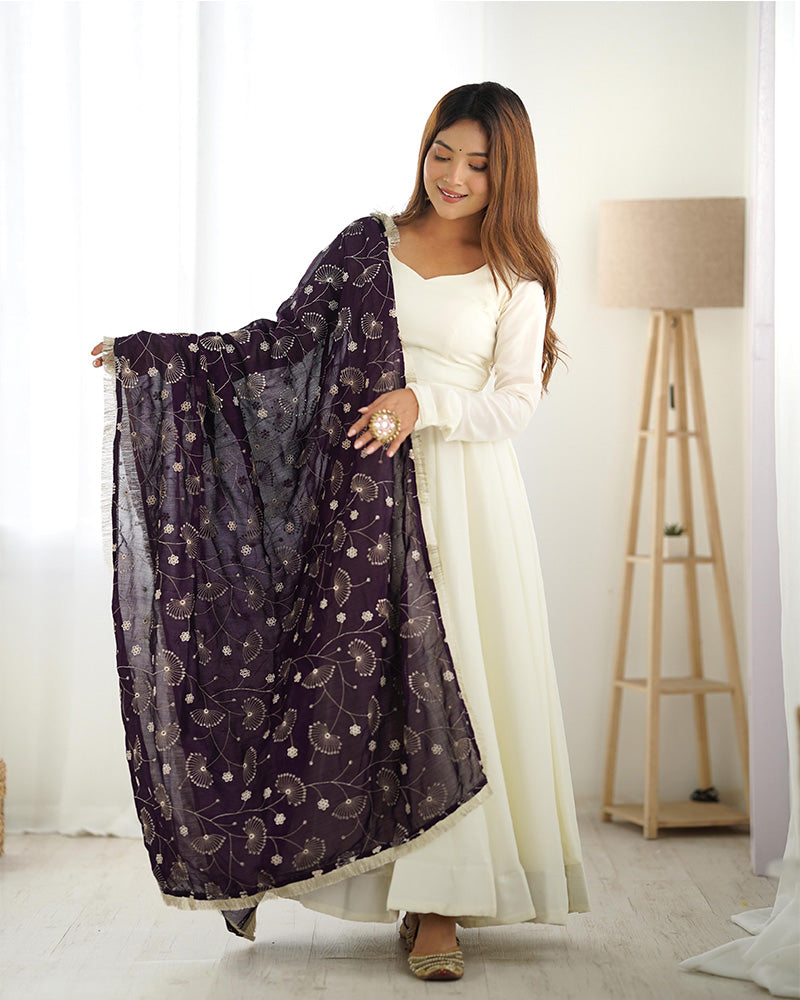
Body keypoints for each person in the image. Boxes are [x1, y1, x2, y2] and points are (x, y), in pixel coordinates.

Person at [91, 81, 589, 983]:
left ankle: (441, 905)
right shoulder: (368, 246)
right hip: (358, 501)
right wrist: (161, 357)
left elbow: (515, 402)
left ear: (508, 173)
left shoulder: (517, 274)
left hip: (464, 501)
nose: (454, 175)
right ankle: (343, 875)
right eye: (442, 152)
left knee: (461, 686)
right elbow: (280, 343)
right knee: (359, 693)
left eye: (479, 164)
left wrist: (423, 402)